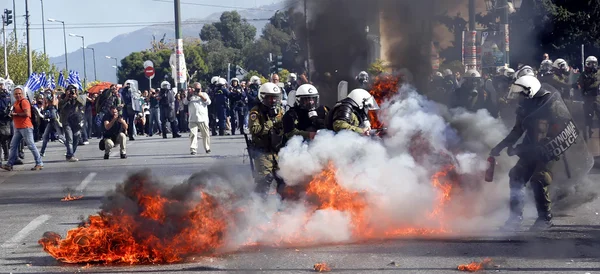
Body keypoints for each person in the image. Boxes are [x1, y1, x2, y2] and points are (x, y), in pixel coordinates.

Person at [490, 75, 571, 231]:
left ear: (530, 91)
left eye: (520, 94)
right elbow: (517, 130)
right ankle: (515, 218)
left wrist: (529, 148)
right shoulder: (525, 107)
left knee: (539, 178)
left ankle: (545, 218)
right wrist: (500, 147)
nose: (518, 98)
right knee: (516, 176)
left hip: (550, 148)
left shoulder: (551, 104)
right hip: (531, 146)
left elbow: (562, 128)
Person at [249, 82, 285, 195]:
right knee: (265, 179)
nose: (273, 101)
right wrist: (268, 124)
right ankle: (258, 204)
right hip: (262, 151)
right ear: (263, 97)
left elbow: (283, 127)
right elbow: (254, 130)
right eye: (269, 98)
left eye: (275, 98)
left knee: (283, 178)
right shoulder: (256, 112)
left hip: (276, 150)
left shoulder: (279, 111)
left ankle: (283, 205)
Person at [1, 86, 43, 171]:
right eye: (16, 94)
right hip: (18, 127)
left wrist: (15, 114)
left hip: (26, 127)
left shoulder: (24, 102)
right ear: (14, 95)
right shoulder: (16, 103)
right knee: (13, 145)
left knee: (31, 145)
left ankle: (39, 163)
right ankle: (9, 164)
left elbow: (27, 114)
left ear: (22, 94)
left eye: (19, 93)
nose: (18, 95)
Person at [58, 85, 84, 162]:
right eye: (70, 91)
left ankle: (70, 154)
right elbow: (60, 106)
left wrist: (76, 97)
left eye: (73, 90)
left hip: (76, 120)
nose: (71, 92)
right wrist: (66, 97)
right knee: (69, 138)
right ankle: (70, 155)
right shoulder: (63, 97)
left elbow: (82, 103)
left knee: (77, 136)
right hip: (66, 120)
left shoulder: (78, 97)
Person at [185, 82, 211, 155]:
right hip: (192, 118)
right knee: (193, 134)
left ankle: (207, 148)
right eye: (195, 89)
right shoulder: (190, 96)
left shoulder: (204, 94)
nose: (196, 90)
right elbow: (185, 102)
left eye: (198, 89)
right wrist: (189, 95)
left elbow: (209, 102)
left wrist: (200, 95)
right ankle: (193, 149)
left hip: (203, 118)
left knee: (205, 134)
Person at [577, 56, 600, 139]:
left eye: (594, 63)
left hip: (597, 97)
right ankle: (587, 135)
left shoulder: (598, 72)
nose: (592, 65)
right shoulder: (583, 74)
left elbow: (597, 82)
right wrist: (581, 90)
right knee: (587, 117)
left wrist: (588, 89)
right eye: (590, 64)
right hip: (587, 98)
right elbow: (580, 83)